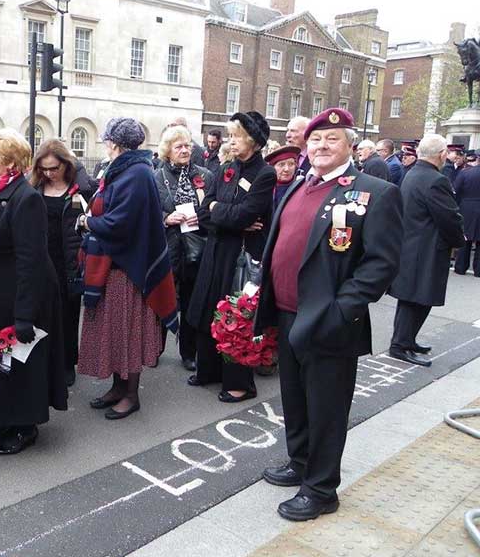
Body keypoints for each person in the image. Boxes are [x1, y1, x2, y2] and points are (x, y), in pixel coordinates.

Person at [256, 108, 403, 522]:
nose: (321, 146)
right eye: (316, 140)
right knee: (295, 400)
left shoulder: (374, 191)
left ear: (350, 146)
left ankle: (321, 490)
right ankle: (300, 463)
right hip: (287, 314)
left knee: (326, 408)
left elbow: (381, 263)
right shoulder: (298, 187)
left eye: (332, 140)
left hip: (330, 320)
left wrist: (343, 309)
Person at [0, 128, 67, 454]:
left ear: (9, 161)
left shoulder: (26, 199)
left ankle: (24, 426)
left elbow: (31, 261)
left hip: (18, 297)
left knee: (17, 364)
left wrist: (24, 315)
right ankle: (4, 418)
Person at [77, 117, 178, 419]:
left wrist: (86, 221)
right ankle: (117, 388)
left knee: (127, 334)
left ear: (114, 143)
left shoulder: (135, 173)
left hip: (127, 269)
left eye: (107, 139)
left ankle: (131, 395)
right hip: (114, 266)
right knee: (115, 331)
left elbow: (120, 223)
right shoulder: (125, 169)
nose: (105, 145)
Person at [186, 111, 276, 401]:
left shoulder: (265, 173)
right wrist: (222, 214)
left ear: (254, 141)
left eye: (237, 136)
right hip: (216, 250)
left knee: (236, 316)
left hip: (240, 257)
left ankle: (239, 384)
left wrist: (219, 212)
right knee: (207, 309)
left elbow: (246, 214)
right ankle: (208, 370)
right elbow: (204, 213)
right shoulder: (227, 167)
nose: (231, 141)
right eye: (232, 135)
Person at [388, 134, 465, 367]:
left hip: (413, 244)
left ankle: (407, 340)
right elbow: (448, 217)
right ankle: (400, 345)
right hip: (426, 248)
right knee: (417, 298)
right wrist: (458, 240)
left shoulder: (414, 173)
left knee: (414, 298)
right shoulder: (435, 179)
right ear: (442, 155)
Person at [31, 138, 95, 386]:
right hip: (41, 260)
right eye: (44, 168)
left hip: (69, 261)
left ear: (65, 165)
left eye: (54, 168)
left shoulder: (80, 189)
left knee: (67, 316)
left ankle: (67, 364)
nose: (48, 173)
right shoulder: (35, 187)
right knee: (43, 314)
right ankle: (45, 361)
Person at [155, 126, 214, 372]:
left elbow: (212, 208)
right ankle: (155, 348)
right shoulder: (156, 176)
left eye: (187, 145)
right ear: (167, 151)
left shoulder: (205, 175)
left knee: (191, 300)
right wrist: (166, 217)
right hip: (167, 245)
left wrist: (201, 217)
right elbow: (147, 210)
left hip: (196, 246)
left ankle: (188, 352)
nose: (185, 150)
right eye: (178, 146)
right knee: (162, 298)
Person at [455, 152, 480, 276]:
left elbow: (456, 190)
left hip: (467, 208)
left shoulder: (465, 172)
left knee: (465, 238)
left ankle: (460, 267)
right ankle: (479, 270)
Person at [266, 145, 302, 213]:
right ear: (273, 167)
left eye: (291, 164)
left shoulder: (300, 189)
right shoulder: (265, 188)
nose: (287, 169)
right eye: (281, 164)